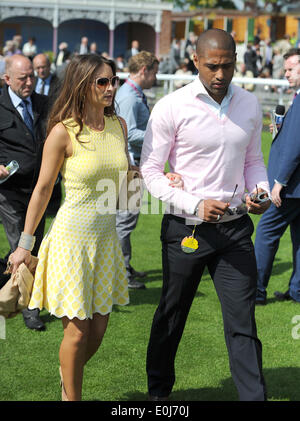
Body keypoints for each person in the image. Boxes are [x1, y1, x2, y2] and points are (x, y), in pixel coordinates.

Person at [141, 28, 271, 401]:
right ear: (195, 61)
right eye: (212, 66)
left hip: (234, 233)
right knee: (171, 316)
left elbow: (253, 160)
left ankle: (253, 397)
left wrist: (259, 192)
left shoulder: (248, 103)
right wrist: (194, 204)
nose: (220, 74)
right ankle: (158, 396)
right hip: (186, 230)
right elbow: (150, 171)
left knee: (243, 322)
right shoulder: (171, 106)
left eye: (227, 66)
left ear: (236, 62)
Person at [8, 54, 130, 401]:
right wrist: (24, 245)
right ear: (82, 85)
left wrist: (150, 182)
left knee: (97, 333)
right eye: (101, 82)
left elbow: (125, 183)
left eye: (113, 80)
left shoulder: (118, 126)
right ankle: (71, 397)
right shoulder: (63, 131)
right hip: (70, 242)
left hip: (106, 241)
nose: (110, 88)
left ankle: (67, 380)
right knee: (76, 335)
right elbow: (43, 190)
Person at [0, 54, 49, 329]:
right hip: (9, 193)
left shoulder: (44, 103)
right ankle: (30, 307)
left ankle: (23, 293)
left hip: (40, 192)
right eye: (23, 78)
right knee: (22, 245)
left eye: (32, 76)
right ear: (7, 79)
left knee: (36, 246)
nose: (30, 81)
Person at [255, 48, 300, 305]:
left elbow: (295, 147)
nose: (286, 74)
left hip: (289, 186)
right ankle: (297, 291)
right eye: (285, 70)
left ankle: (257, 291)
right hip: (295, 186)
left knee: (266, 233)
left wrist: (279, 183)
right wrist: (281, 130)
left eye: (291, 69)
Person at [115, 51, 159, 289]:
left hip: (130, 164)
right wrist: (160, 134)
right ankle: (122, 272)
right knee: (124, 221)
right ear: (144, 70)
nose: (155, 78)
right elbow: (129, 133)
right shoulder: (130, 98)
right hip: (130, 165)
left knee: (124, 220)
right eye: (154, 72)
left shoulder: (130, 94)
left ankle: (124, 267)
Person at [33, 53, 62, 215]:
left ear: (49, 66)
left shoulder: (59, 83)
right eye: (37, 68)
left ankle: (54, 206)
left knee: (55, 168)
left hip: (54, 129)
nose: (41, 70)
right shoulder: (33, 82)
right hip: (37, 131)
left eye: (43, 67)